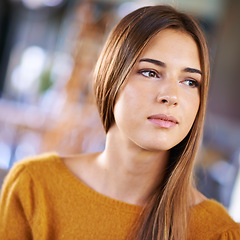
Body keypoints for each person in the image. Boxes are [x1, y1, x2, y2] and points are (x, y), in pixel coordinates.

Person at [0, 5, 239, 240]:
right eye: (151, 72)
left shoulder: (217, 231)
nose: (171, 96)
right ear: (111, 79)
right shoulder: (34, 186)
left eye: (189, 82)